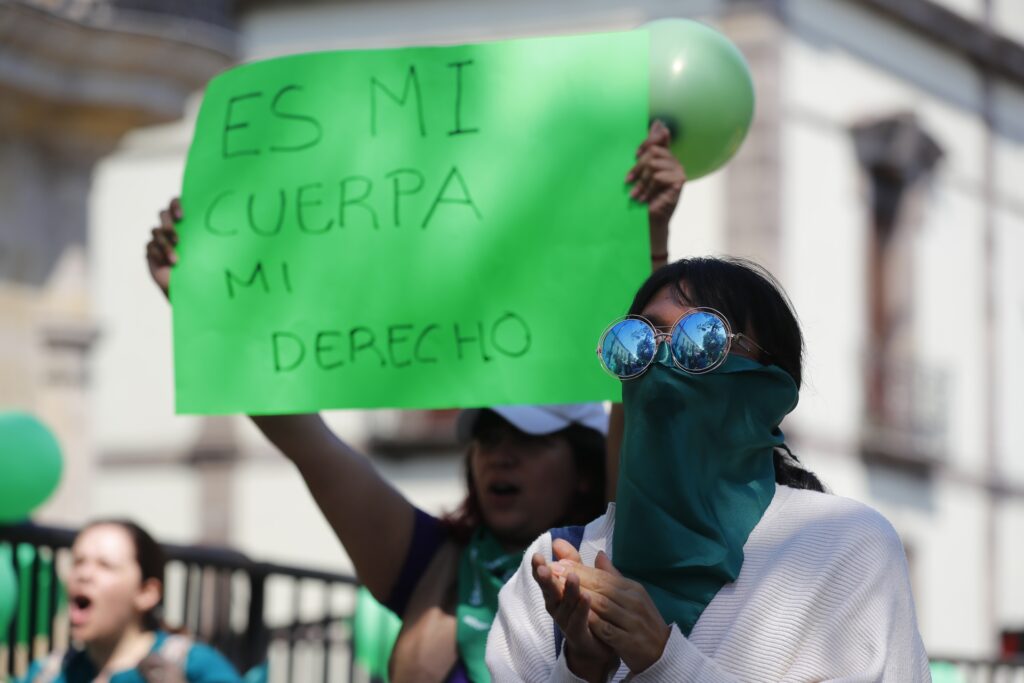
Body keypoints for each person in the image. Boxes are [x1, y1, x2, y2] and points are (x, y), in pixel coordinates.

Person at [143, 122, 686, 683]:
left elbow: (640, 397)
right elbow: (310, 445)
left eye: (527, 440)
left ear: (583, 464)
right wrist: (203, 306)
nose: (498, 456)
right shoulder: (433, 559)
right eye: (486, 438)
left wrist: (649, 246)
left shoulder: (616, 551)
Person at [486, 258, 931, 682]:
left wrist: (661, 659)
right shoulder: (554, 564)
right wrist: (581, 667)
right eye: (638, 343)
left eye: (702, 342)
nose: (661, 364)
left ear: (768, 388)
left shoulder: (845, 545)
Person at [21, 520, 240, 683]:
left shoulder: (195, 666)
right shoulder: (48, 673)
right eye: (78, 562)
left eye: (105, 565)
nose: (84, 574)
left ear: (146, 592)